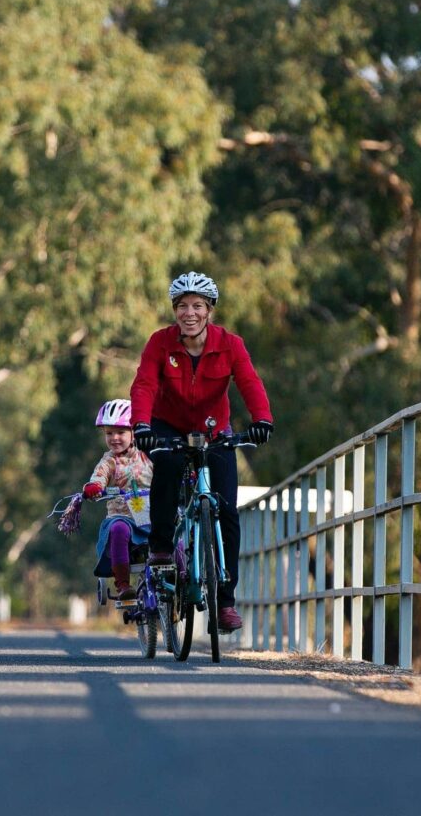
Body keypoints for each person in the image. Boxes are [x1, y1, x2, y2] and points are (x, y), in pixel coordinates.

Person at [129, 271, 273, 633]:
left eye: (197, 306)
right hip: (167, 425)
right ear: (174, 310)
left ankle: (225, 603)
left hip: (214, 430)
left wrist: (262, 419)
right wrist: (141, 425)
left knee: (227, 509)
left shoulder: (230, 345)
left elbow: (249, 381)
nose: (189, 313)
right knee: (168, 466)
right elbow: (144, 384)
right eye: (182, 306)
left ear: (210, 310)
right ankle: (162, 547)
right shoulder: (160, 343)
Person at [81, 399, 154, 601]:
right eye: (109, 433)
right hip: (123, 517)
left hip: (153, 517)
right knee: (118, 529)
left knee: (176, 531)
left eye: (121, 432)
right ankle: (122, 584)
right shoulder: (109, 460)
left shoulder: (148, 455)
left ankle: (180, 581)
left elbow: (168, 472)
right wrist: (94, 487)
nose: (114, 438)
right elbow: (99, 475)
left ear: (134, 432)